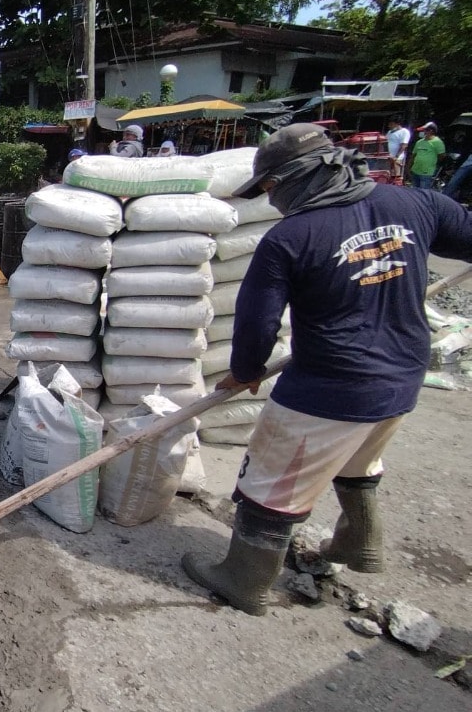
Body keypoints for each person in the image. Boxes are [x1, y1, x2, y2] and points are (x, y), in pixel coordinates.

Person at [181, 123, 472, 616]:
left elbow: (257, 321)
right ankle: (360, 546)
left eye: (271, 188)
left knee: (269, 481)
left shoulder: (290, 237)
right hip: (402, 378)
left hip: (329, 387)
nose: (271, 201)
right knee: (357, 460)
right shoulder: (414, 205)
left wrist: (246, 369)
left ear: (298, 177)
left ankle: (243, 581)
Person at [409, 122, 444, 190]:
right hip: (415, 170)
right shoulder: (419, 142)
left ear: (431, 131)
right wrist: (409, 167)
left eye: (424, 130)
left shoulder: (438, 142)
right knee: (414, 191)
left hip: (427, 172)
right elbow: (413, 155)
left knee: (424, 192)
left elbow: (441, 156)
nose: (423, 132)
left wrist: (431, 162)